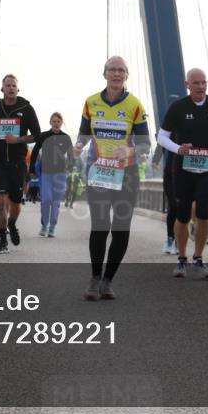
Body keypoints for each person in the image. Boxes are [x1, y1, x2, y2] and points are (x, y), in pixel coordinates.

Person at [75, 56, 151, 299]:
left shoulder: (135, 105)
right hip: (98, 171)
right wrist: (78, 145)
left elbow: (145, 144)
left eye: (121, 70)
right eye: (112, 70)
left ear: (126, 75)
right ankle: (94, 278)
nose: (116, 74)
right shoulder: (91, 102)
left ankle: (108, 281)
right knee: (99, 226)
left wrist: (129, 150)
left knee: (120, 229)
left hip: (126, 174)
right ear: (104, 73)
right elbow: (84, 135)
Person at [156, 68, 208, 279]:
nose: (201, 86)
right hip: (183, 169)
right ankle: (181, 259)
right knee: (183, 213)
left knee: (204, 212)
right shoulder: (178, 107)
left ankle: (198, 258)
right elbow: (162, 137)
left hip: (207, 167)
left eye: (204, 82)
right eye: (196, 83)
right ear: (187, 85)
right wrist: (178, 148)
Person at [0, 74, 41, 254]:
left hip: (17, 162)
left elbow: (37, 135)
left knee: (14, 202)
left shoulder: (26, 109)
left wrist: (18, 139)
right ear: (2, 88)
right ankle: (3, 240)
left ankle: (12, 224)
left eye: (14, 85)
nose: (11, 88)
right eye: (8, 85)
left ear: (17, 89)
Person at [33, 112, 74, 237]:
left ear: (61, 123)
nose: (56, 123)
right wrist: (31, 168)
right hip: (46, 173)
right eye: (54, 121)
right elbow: (35, 151)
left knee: (56, 202)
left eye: (58, 121)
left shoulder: (66, 138)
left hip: (60, 175)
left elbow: (71, 156)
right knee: (46, 200)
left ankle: (52, 227)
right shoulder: (44, 136)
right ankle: (44, 225)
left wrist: (70, 167)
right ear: (50, 122)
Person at [151, 143, 177, 254]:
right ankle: (171, 239)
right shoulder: (170, 128)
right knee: (174, 206)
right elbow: (161, 141)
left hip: (188, 173)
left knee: (183, 208)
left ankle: (179, 238)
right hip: (170, 173)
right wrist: (155, 160)